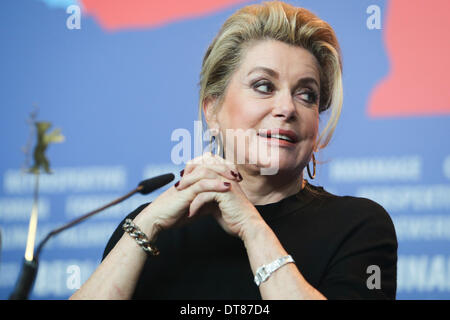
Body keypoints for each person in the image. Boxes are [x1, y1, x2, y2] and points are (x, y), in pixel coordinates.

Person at [70, 1, 397, 300]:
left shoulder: (360, 227)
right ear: (212, 110)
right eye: (264, 86)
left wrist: (252, 228)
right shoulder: (148, 230)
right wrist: (147, 224)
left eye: (306, 94)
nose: (287, 107)